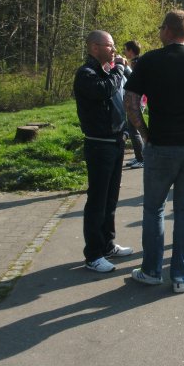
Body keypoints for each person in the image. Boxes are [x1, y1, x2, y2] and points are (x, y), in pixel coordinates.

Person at [124, 10, 184, 293]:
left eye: (160, 28)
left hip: (162, 145)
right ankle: (181, 276)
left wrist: (145, 135)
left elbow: (130, 103)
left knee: (154, 208)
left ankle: (152, 271)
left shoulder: (148, 61)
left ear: (167, 30)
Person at [73, 30, 133, 272]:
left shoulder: (107, 71)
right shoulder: (86, 74)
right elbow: (104, 90)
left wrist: (125, 131)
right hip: (99, 145)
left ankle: (107, 244)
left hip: (115, 142)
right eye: (110, 45)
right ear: (95, 47)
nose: (114, 50)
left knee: (111, 199)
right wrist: (118, 69)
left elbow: (119, 99)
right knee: (97, 201)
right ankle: (93, 254)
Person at [122, 40, 144, 169]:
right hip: (139, 99)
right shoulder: (136, 62)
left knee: (134, 130)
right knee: (132, 129)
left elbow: (134, 80)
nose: (124, 52)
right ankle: (138, 156)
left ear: (130, 51)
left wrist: (125, 68)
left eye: (125, 49)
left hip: (138, 100)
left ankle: (142, 158)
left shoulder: (136, 62)